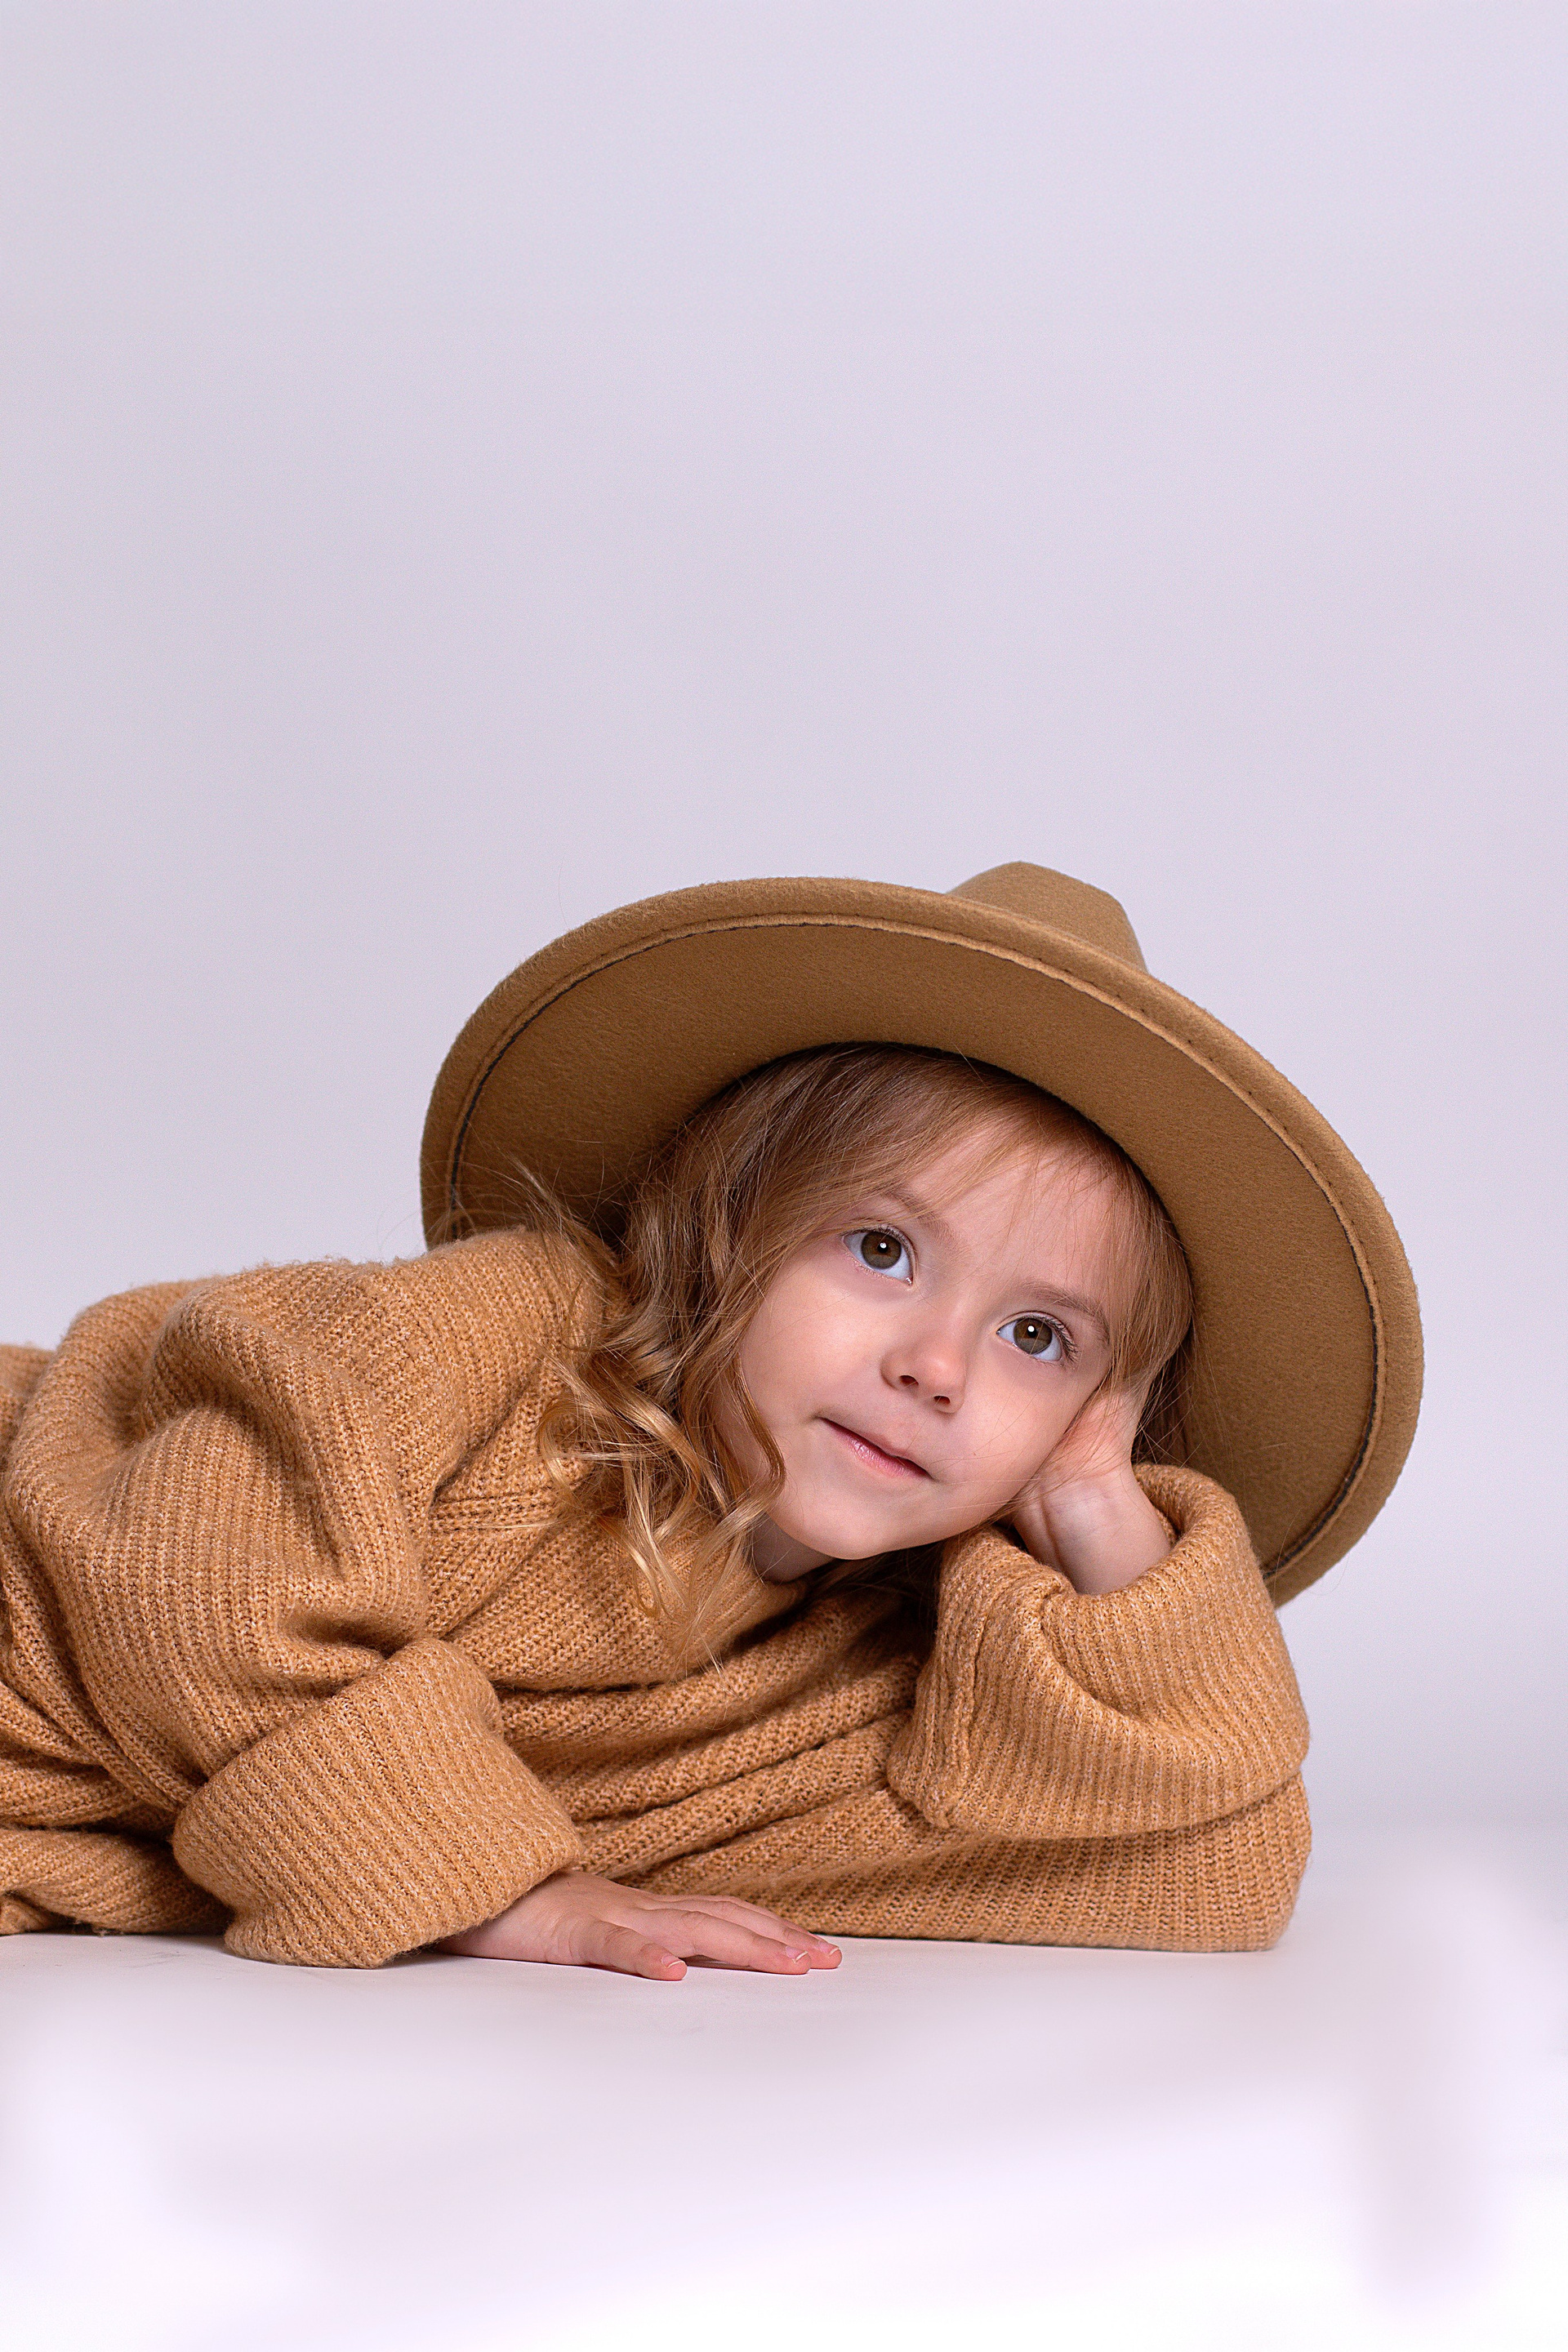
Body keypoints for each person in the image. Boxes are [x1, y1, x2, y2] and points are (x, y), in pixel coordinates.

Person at [0, 863, 1422, 1974]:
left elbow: (1211, 1866)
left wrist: (1100, 1504)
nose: (939, 1367)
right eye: (883, 1250)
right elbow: (192, 1576)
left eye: (1038, 1338)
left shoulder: (858, 1675)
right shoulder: (502, 1335)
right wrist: (494, 1883)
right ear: (728, 1228)